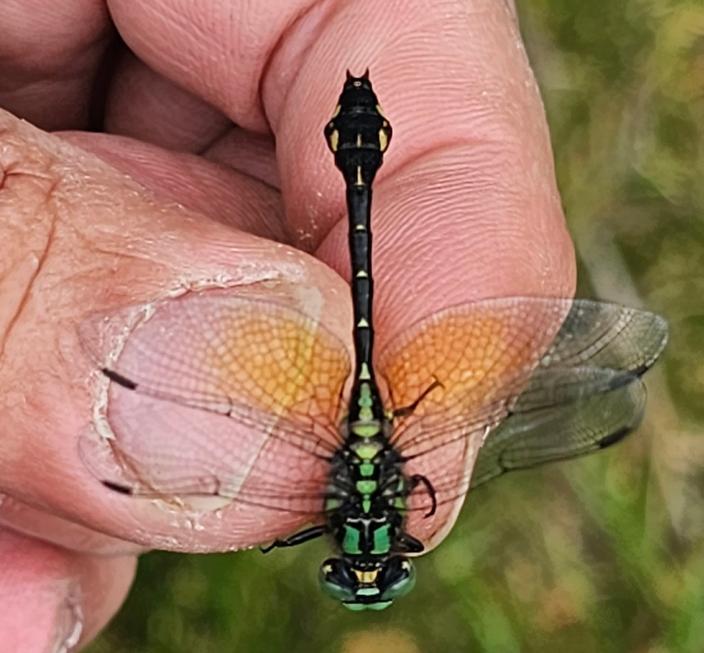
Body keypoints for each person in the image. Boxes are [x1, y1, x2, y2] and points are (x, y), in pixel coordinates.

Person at [0, 1, 575, 649]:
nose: (364, 563)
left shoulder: (364, 496)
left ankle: (356, 159)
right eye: (380, 567)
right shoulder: (377, 493)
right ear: (394, 549)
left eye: (351, 570)